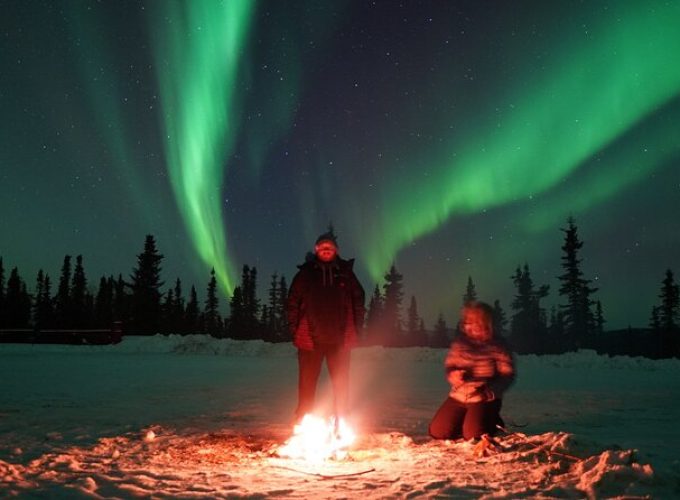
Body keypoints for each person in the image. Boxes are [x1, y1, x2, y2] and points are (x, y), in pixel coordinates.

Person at [286, 231, 365, 425]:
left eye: (329, 247)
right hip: (310, 339)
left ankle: (341, 419)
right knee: (307, 384)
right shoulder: (305, 275)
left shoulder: (345, 274)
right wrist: (294, 329)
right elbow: (292, 302)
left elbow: (358, 300)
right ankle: (304, 420)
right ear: (316, 250)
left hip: (339, 340)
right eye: (322, 247)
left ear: (336, 250)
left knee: (341, 384)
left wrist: (357, 328)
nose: (326, 250)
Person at [429, 301, 515, 441]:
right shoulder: (460, 344)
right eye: (467, 322)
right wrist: (454, 375)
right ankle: (468, 419)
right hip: (459, 396)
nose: (469, 325)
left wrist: (490, 390)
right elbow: (450, 367)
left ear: (485, 323)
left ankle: (491, 420)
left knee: (474, 436)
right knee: (438, 432)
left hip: (484, 398)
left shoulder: (498, 345)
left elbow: (508, 374)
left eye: (474, 322)